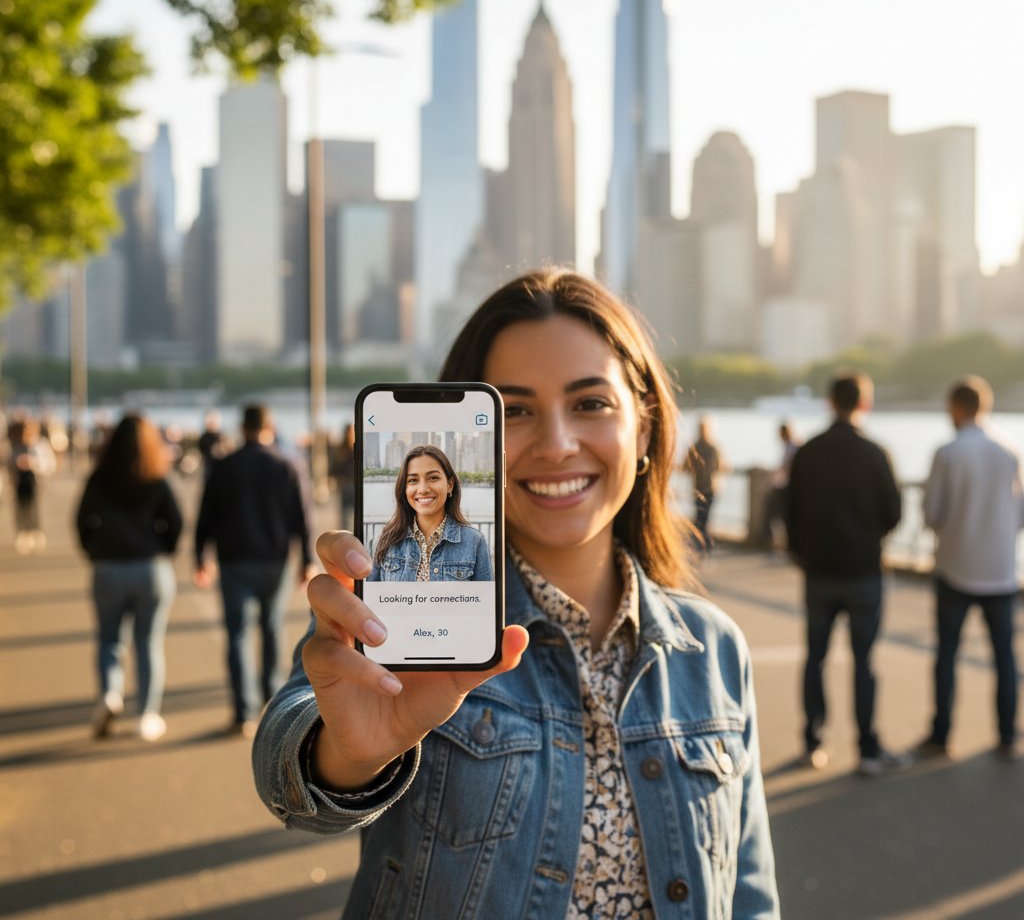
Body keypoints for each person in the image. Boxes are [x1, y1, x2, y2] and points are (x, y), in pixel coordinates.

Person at [253, 269, 779, 918]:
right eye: (515, 412)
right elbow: (287, 766)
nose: (557, 446)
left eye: (591, 404)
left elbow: (750, 897)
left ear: (643, 429)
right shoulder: (410, 619)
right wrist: (346, 754)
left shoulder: (713, 648)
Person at [785, 370, 906, 776]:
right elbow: (894, 513)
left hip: (819, 571)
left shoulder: (808, 452)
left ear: (829, 402)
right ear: (864, 404)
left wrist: (803, 554)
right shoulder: (875, 452)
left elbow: (789, 511)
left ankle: (812, 742)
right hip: (864, 571)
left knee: (815, 658)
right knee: (864, 662)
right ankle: (867, 748)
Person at [194, 404, 318, 737]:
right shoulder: (287, 464)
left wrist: (200, 557)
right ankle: (273, 703)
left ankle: (243, 712)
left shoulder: (223, 465)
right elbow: (303, 515)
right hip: (275, 561)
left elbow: (205, 514)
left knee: (237, 634)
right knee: (272, 628)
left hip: (233, 560)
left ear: (242, 428)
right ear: (269, 427)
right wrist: (307, 560)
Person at [917, 376, 1023, 761]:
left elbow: (932, 513)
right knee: (1004, 658)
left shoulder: (948, 452)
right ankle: (1007, 734)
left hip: (955, 567)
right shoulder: (1010, 450)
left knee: (947, 654)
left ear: (957, 407)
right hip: (1001, 571)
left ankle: (941, 734)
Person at [75, 414, 183, 741]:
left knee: (109, 638)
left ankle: (111, 693)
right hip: (151, 568)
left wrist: (94, 550)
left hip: (108, 568)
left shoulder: (99, 478)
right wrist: (163, 549)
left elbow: (82, 521)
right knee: (148, 642)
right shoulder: (157, 478)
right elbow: (176, 523)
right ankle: (147, 714)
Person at [365, 444, 493, 583]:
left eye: (433, 478)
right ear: (404, 488)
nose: (423, 489)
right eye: (413, 480)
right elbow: (371, 596)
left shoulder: (475, 542)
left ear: (450, 485)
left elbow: (484, 597)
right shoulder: (383, 540)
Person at [7, 414, 55, 554]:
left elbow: (49, 464)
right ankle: (23, 533)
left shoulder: (41, 445)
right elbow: (8, 463)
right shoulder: (15, 445)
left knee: (33, 507)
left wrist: (33, 464)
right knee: (20, 508)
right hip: (19, 482)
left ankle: (35, 531)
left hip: (35, 481)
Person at [682, 414, 728, 553]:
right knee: (703, 517)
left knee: (700, 517)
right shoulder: (713, 447)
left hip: (700, 488)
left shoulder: (695, 447)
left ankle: (701, 544)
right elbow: (723, 466)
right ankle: (704, 544)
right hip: (708, 488)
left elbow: (685, 466)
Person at [766, 421, 801, 551]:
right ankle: (782, 542)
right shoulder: (791, 446)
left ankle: (781, 542)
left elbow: (787, 467)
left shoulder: (792, 446)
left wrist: (776, 477)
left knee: (779, 514)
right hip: (786, 486)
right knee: (780, 515)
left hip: (787, 487)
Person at [328, 422, 356, 532]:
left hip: (355, 489)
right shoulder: (341, 451)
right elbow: (333, 470)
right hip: (346, 489)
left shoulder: (357, 450)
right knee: (344, 519)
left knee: (354, 518)